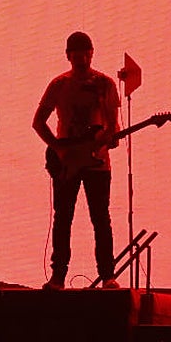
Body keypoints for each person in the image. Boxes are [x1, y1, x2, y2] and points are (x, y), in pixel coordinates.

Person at [31, 31, 121, 290]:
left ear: (92, 53)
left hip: (98, 162)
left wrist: (109, 138)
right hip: (68, 161)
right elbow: (38, 122)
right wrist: (57, 147)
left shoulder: (105, 84)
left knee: (101, 218)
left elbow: (112, 127)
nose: (82, 57)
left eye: (86, 51)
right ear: (68, 55)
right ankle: (58, 276)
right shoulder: (59, 85)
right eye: (76, 52)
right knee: (63, 218)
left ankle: (107, 276)